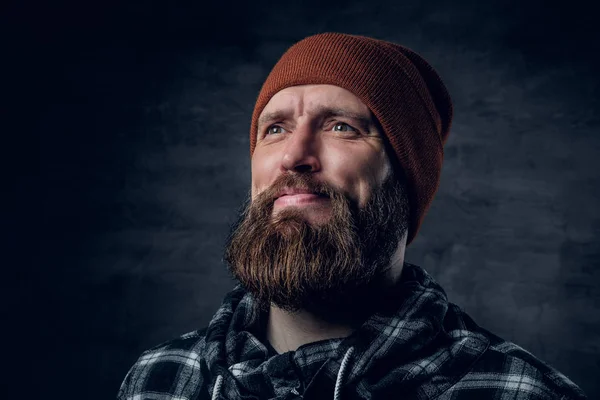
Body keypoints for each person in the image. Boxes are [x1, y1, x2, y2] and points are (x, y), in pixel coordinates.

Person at [117, 32, 587, 400]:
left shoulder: (516, 392)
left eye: (342, 127)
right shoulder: (160, 379)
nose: (293, 156)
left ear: (408, 179)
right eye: (275, 128)